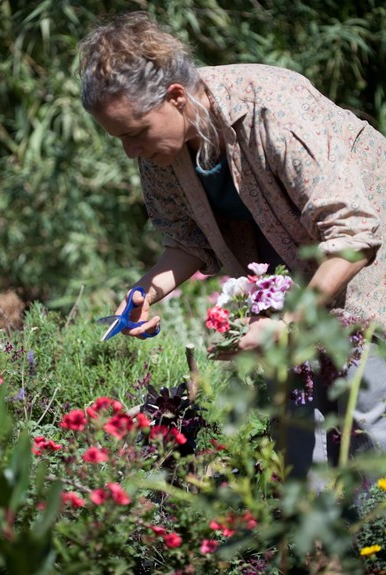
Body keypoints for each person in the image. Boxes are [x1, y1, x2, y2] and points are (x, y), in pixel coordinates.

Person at [78, 11, 386, 479]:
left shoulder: (270, 105)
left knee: (369, 410)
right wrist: (144, 293)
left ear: (176, 97)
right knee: (298, 427)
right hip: (299, 277)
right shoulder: (162, 147)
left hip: (364, 252)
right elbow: (186, 241)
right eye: (118, 139)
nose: (129, 152)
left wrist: (287, 324)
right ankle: (314, 545)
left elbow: (352, 235)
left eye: (134, 134)